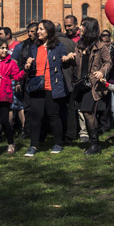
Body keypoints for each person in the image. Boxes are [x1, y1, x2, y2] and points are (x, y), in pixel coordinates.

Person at [22, 20, 73, 157]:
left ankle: (57, 143)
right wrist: (28, 64)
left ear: (48, 31)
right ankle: (33, 145)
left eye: (40, 29)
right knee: (36, 116)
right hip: (37, 86)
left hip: (52, 85)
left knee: (53, 115)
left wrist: (68, 57)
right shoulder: (34, 47)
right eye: (38, 29)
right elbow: (29, 64)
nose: (38, 32)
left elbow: (64, 57)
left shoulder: (57, 46)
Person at [74, 17, 111, 155]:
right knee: (85, 112)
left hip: (93, 85)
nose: (80, 27)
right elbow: (77, 64)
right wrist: (70, 58)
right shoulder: (79, 45)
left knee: (88, 112)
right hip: (81, 84)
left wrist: (101, 72)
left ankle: (95, 144)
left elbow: (108, 62)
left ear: (89, 28)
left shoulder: (101, 46)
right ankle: (94, 143)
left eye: (83, 25)